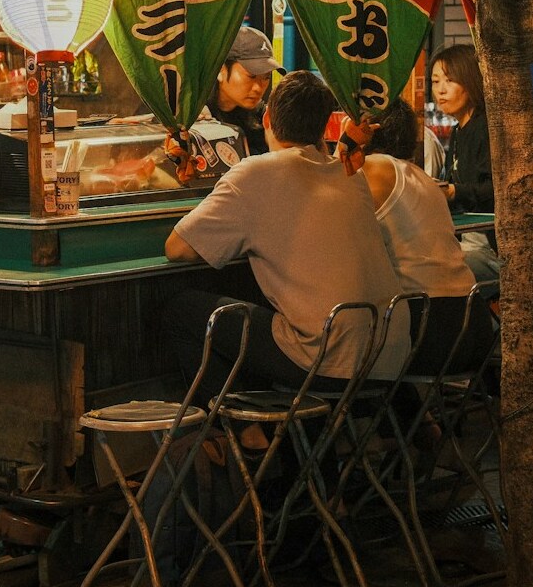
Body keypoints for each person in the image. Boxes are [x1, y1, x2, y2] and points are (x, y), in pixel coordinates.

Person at [164, 70, 403, 390]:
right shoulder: (349, 175)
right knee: (260, 314)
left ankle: (241, 435)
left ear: (267, 120)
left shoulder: (254, 173)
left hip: (327, 361)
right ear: (322, 129)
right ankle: (286, 434)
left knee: (183, 310)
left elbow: (177, 248)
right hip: (390, 356)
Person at [362, 100, 492, 375]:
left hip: (426, 330)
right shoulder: (425, 181)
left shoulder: (372, 169)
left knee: (346, 343)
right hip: (475, 324)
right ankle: (415, 417)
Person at [430, 43, 493, 213]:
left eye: (450, 80)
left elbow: (495, 188)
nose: (440, 90)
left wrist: (453, 192)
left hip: (487, 233)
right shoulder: (457, 130)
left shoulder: (486, 127)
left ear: (470, 80)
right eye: (435, 81)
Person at [204, 25, 278, 156]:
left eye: (266, 77)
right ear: (221, 70)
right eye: (251, 76)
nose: (258, 87)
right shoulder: (196, 115)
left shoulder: (264, 118)